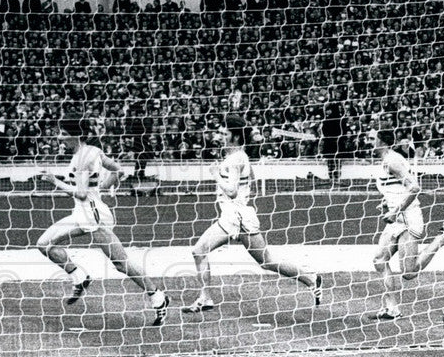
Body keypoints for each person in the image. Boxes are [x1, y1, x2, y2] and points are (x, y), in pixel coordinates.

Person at [182, 113, 322, 313]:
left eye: (224, 134)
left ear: (235, 136)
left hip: (236, 217)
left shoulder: (236, 158)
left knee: (204, 252)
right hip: (235, 216)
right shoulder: (239, 157)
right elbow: (249, 179)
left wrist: (215, 175)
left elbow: (232, 191)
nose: (219, 137)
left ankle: (311, 278)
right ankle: (311, 278)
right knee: (264, 261)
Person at [36, 118, 169, 326]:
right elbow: (118, 170)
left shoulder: (81, 159)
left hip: (92, 216)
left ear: (75, 135)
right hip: (82, 213)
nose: (59, 137)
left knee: (121, 263)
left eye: (63, 133)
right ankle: (79, 277)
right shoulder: (93, 151)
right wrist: (101, 189)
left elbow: (81, 193)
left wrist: (55, 181)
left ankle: (158, 297)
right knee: (44, 244)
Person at [369, 128, 444, 320]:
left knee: (409, 273)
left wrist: (395, 210)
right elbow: (397, 188)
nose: (369, 142)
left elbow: (414, 187)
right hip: (397, 219)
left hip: (408, 218)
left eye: (372, 139)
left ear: (382, 142)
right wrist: (386, 203)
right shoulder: (386, 161)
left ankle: (442, 239)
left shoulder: (392, 161)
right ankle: (391, 309)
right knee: (379, 260)